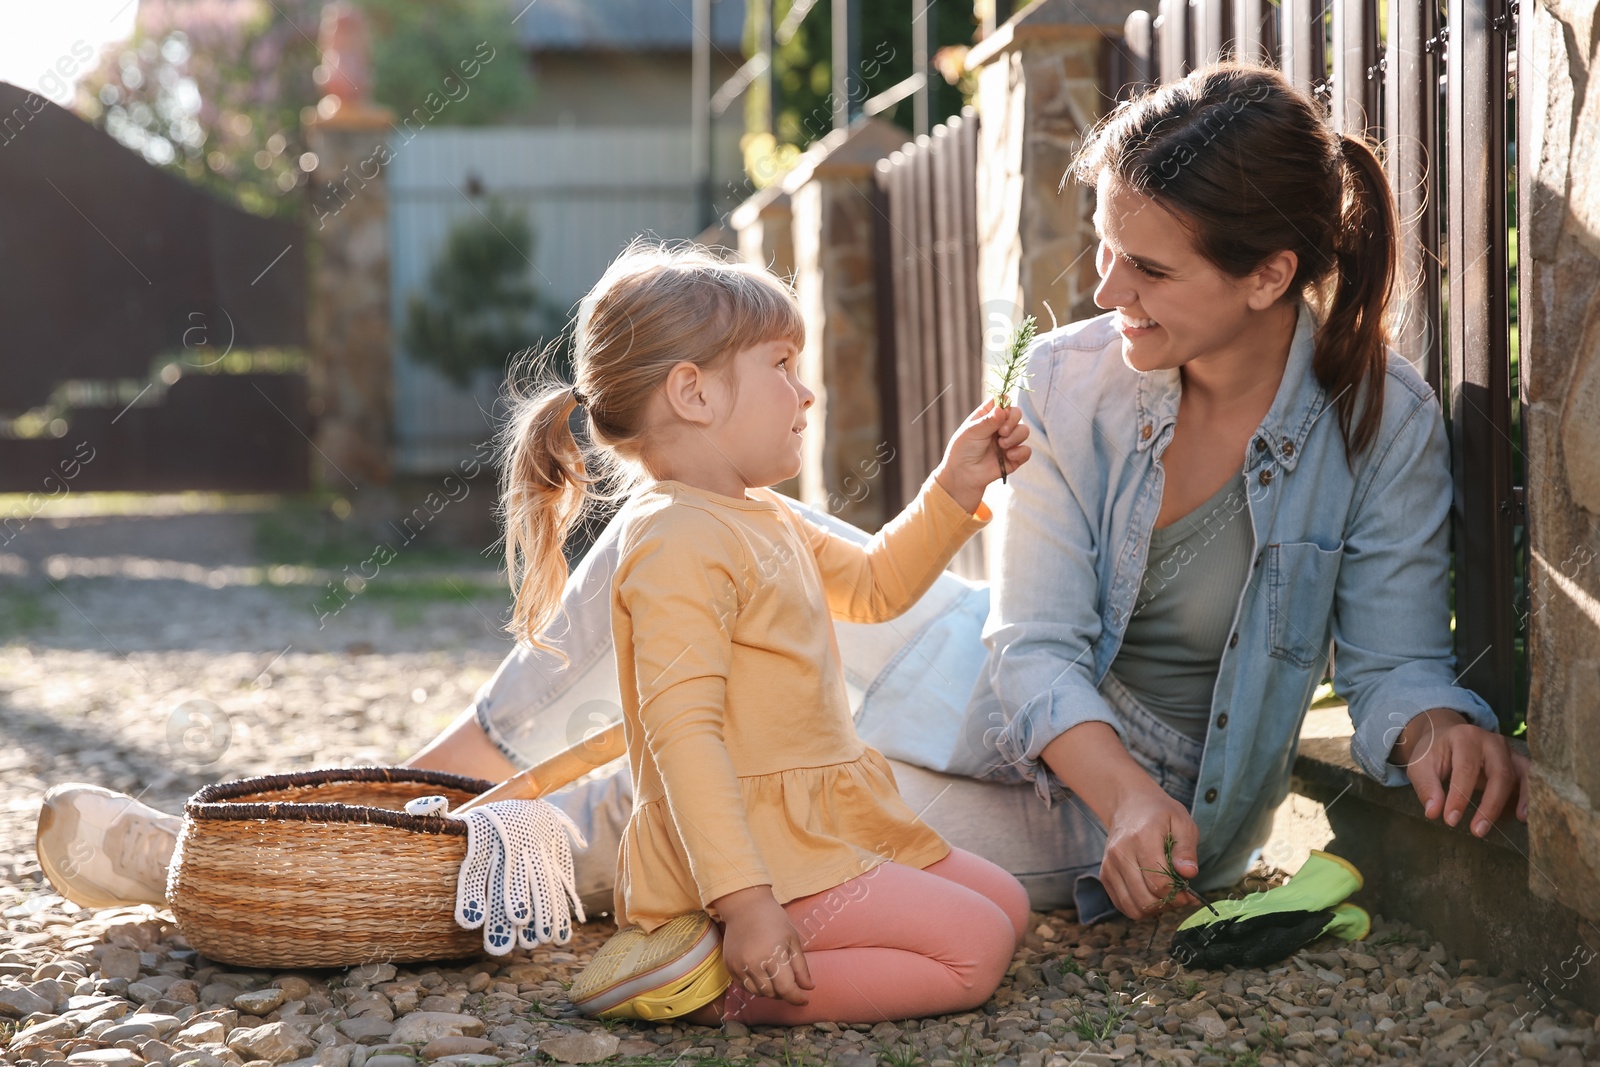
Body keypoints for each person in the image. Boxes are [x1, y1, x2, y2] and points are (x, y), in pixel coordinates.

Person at [39, 61, 1527, 949]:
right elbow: (1029, 641)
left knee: (692, 816)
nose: (1100, 290)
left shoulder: (1378, 423)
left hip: (1092, 817)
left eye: (1147, 269)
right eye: (1100, 246)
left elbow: (1395, 656)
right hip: (982, 671)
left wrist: (1432, 720)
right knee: (670, 535)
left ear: (1268, 277)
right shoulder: (1082, 378)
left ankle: (216, 875)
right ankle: (389, 798)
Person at [486, 240, 1033, 1024]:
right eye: (781, 366)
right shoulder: (674, 540)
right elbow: (685, 737)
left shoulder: (759, 513)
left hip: (816, 825)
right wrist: (745, 903)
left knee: (1007, 903)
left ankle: (772, 951)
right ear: (693, 393)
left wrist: (955, 486)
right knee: (974, 949)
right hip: (752, 856)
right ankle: (712, 988)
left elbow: (876, 587)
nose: (805, 394)